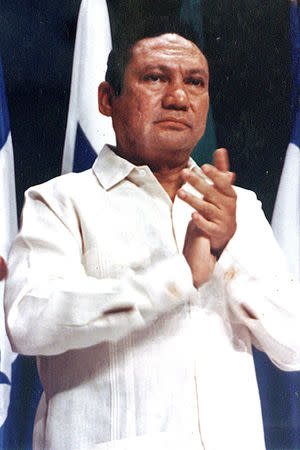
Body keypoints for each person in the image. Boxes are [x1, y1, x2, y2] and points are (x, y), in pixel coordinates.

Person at [4, 20, 300, 450]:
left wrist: (228, 249)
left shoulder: (238, 207)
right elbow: (28, 323)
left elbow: (292, 344)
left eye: (195, 82)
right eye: (156, 78)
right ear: (108, 100)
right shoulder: (61, 202)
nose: (179, 97)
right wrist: (178, 277)